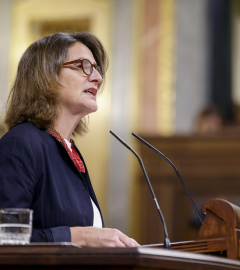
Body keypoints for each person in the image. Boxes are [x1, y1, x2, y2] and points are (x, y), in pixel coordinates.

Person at [0, 32, 139, 247]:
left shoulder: (66, 149)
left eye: (96, 69)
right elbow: (6, 239)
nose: (97, 77)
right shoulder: (21, 143)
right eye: (82, 66)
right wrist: (79, 237)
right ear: (46, 75)